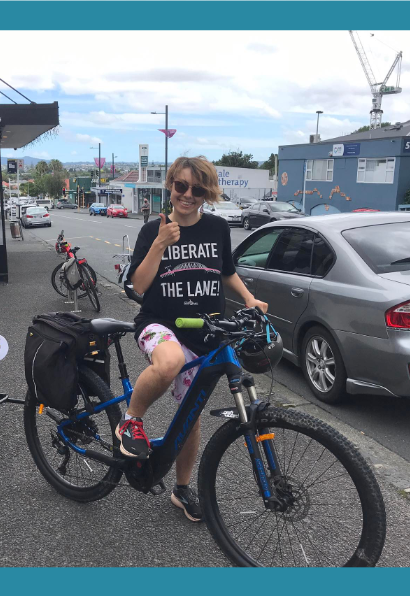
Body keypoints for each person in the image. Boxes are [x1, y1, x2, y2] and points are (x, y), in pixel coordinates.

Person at [122, 156, 268, 523]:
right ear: (171, 185)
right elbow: (137, 287)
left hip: (205, 330)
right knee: (168, 362)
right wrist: (159, 245)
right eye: (181, 186)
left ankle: (181, 488)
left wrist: (249, 298)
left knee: (191, 415)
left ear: (207, 193)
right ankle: (131, 422)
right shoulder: (152, 230)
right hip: (160, 322)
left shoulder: (218, 228)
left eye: (197, 189)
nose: (188, 195)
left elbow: (226, 272)